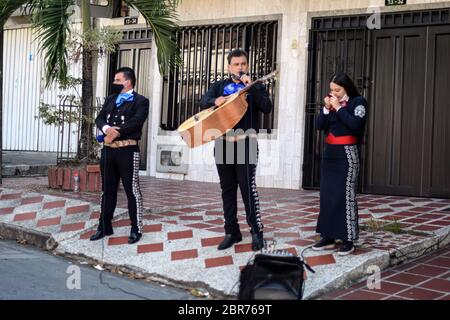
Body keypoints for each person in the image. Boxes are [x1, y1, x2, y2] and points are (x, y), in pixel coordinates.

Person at [199, 49, 273, 251]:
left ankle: (257, 233)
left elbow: (267, 107)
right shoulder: (219, 86)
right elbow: (202, 101)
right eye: (236, 64)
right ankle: (232, 232)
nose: (240, 67)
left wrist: (253, 88)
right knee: (227, 189)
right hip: (222, 143)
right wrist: (215, 101)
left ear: (247, 65)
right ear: (229, 67)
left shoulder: (255, 87)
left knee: (248, 189)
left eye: (243, 64)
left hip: (245, 143)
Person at [90, 67, 149, 244]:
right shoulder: (110, 99)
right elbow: (99, 118)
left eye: (117, 80)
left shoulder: (141, 100)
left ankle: (136, 228)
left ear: (127, 82)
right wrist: (107, 129)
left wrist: (117, 132)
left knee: (132, 191)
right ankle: (104, 226)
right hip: (109, 150)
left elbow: (137, 121)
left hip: (127, 150)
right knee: (107, 190)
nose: (114, 83)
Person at [313, 72, 367, 255]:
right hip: (330, 154)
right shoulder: (332, 104)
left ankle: (348, 238)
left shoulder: (358, 102)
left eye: (337, 89)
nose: (333, 93)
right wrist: (327, 109)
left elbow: (355, 125)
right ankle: (328, 235)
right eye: (331, 90)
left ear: (346, 88)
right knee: (327, 195)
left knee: (345, 195)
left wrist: (339, 108)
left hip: (347, 154)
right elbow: (319, 125)